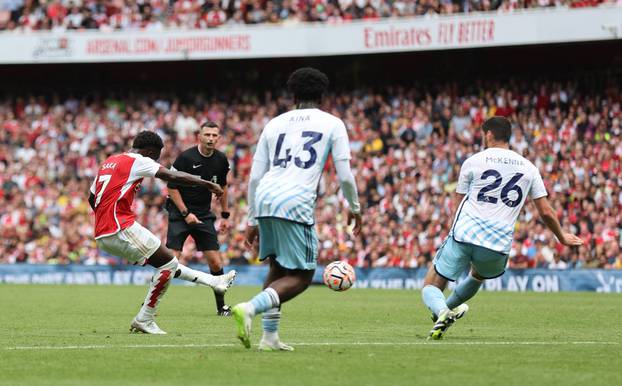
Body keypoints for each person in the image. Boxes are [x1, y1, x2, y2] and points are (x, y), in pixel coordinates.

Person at [232, 67, 363, 351]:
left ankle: (269, 338)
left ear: (292, 94)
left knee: (278, 267)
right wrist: (355, 207)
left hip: (266, 195)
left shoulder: (274, 123)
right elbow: (344, 175)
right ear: (322, 94)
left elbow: (254, 176)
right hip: (296, 200)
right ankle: (250, 308)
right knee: (303, 276)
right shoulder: (332, 123)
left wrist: (252, 217)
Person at [421, 116, 583, 340]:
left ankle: (442, 311)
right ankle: (446, 311)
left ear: (488, 135)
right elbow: (546, 211)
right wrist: (561, 236)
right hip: (498, 245)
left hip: (465, 234)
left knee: (431, 284)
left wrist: (452, 234)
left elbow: (457, 203)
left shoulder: (473, 161)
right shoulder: (529, 168)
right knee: (477, 276)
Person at [88, 131, 237, 335]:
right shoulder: (138, 160)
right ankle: (145, 318)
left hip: (106, 229)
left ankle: (214, 281)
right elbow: (171, 175)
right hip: (119, 227)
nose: (157, 160)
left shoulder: (110, 161)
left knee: (167, 262)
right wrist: (207, 183)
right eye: (157, 155)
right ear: (150, 151)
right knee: (167, 263)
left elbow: (92, 198)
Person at [166, 121, 233, 316]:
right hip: (179, 213)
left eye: (214, 135)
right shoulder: (185, 158)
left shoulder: (221, 160)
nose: (211, 138)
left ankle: (221, 308)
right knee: (171, 262)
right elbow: (171, 187)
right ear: (200, 137)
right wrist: (186, 214)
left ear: (219, 138)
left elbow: (223, 187)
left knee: (216, 263)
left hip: (204, 214)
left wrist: (225, 215)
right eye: (207, 135)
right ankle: (150, 306)